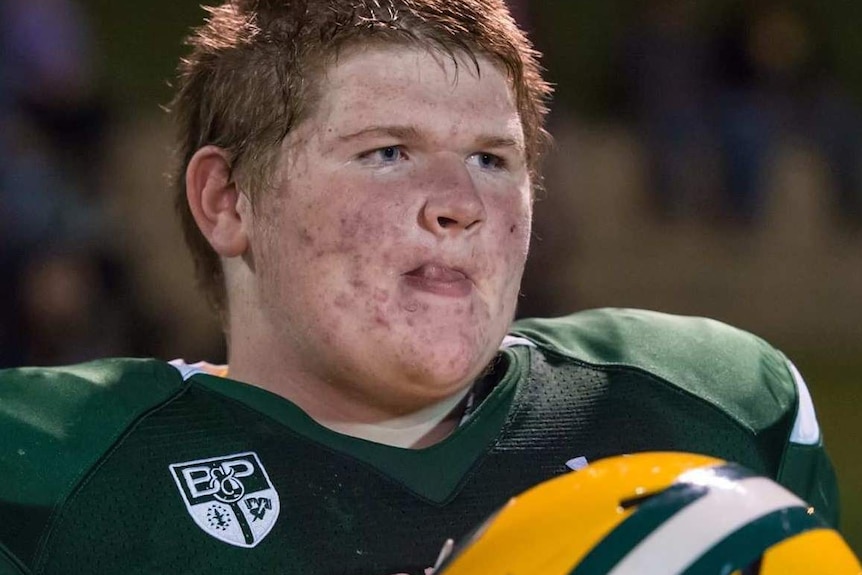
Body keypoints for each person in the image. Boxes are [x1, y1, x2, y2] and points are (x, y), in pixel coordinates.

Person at [0, 1, 839, 574]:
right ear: (228, 200)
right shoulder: (53, 473)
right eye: (387, 151)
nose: (461, 206)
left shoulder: (711, 405)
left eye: (492, 158)